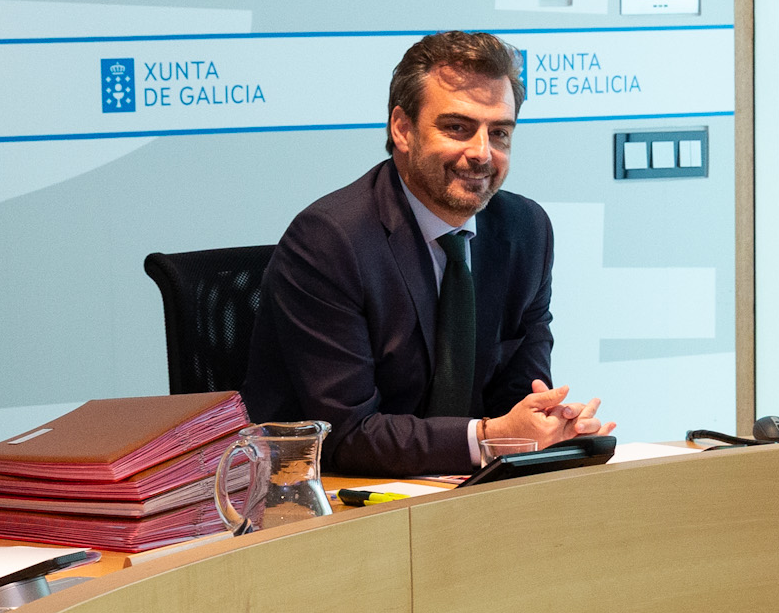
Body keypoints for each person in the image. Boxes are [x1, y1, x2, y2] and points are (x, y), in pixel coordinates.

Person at [244, 30, 617, 475]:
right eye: (458, 128)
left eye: (499, 133)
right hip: (333, 493)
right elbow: (345, 435)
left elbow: (519, 397)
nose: (482, 153)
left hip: (462, 487)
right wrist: (491, 437)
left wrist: (550, 427)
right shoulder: (329, 241)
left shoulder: (526, 230)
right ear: (402, 129)